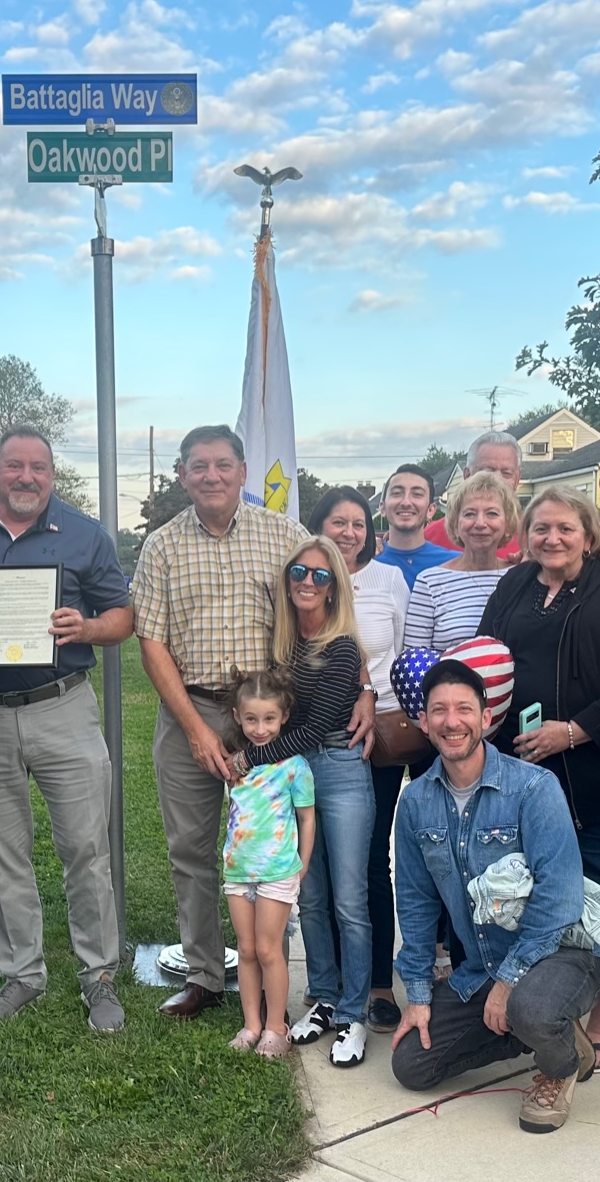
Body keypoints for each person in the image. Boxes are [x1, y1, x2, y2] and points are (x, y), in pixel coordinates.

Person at [131, 425, 374, 1021]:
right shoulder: (161, 546)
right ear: (182, 475)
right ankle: (204, 975)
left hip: (270, 719)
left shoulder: (283, 535)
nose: (210, 475)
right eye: (198, 466)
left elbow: (329, 608)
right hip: (190, 709)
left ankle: (269, 977)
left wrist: (364, 684)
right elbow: (151, 642)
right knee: (191, 849)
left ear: (243, 472)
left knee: (273, 848)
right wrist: (195, 729)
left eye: (223, 464)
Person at [0, 427, 131, 1032]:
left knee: (86, 849)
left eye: (38, 467)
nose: (26, 477)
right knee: (3, 855)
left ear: (52, 474)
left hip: (61, 705)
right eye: (14, 466)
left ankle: (98, 975)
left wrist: (87, 628)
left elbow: (122, 616)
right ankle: (23, 974)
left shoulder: (86, 534)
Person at [390, 660, 600, 1135]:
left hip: (563, 953)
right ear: (423, 721)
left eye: (464, 709)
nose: (452, 721)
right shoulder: (416, 802)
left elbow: (559, 898)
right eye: (439, 710)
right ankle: (546, 1032)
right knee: (412, 1065)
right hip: (484, 967)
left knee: (531, 1007)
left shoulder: (533, 788)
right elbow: (416, 901)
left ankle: (559, 1065)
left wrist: (510, 983)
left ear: (486, 717)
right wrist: (419, 997)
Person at [477, 486, 600, 1074]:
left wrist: (573, 731)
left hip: (598, 768)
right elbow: (485, 659)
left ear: (589, 534)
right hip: (521, 767)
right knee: (533, 888)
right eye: (541, 529)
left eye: (565, 528)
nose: (552, 539)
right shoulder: (514, 584)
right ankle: (551, 1006)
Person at [236, 536, 372, 1066]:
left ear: (334, 586)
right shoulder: (284, 646)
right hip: (289, 775)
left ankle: (354, 1012)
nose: (307, 582)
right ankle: (325, 996)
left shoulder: (342, 648)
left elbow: (315, 728)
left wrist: (249, 757)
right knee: (307, 894)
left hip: (337, 768)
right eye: (298, 572)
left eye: (320, 575)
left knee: (349, 900)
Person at [306, 486, 411, 1034]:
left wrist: (372, 695)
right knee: (319, 862)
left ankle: (376, 984)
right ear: (318, 527)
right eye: (337, 522)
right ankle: (330, 981)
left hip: (379, 736)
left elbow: (403, 651)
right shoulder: (306, 581)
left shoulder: (388, 579)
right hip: (320, 740)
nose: (349, 533)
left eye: (358, 524)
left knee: (370, 861)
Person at [220, 668, 315, 1059]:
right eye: (252, 719)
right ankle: (251, 1024)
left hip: (277, 872)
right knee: (245, 950)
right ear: (238, 717)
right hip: (238, 870)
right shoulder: (237, 766)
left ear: (284, 717)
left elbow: (306, 818)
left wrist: (302, 864)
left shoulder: (295, 767)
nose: (260, 729)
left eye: (269, 719)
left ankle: (277, 1027)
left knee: (268, 950)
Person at [404, 470, 518, 651]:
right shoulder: (430, 582)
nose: (480, 523)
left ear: (507, 524)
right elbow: (414, 657)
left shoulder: (521, 577)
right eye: (470, 514)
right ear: (455, 525)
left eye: (492, 513)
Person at [424, 432, 522, 559]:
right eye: (488, 471)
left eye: (506, 473)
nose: (497, 480)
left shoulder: (536, 537)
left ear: (517, 479)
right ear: (467, 475)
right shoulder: (433, 536)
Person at [374, 464, 455, 588]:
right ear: (382, 508)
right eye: (397, 493)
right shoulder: (365, 563)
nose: (406, 502)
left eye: (417, 494)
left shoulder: (455, 565)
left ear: (431, 510)